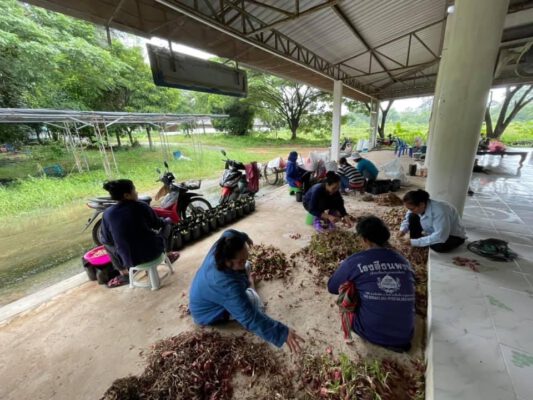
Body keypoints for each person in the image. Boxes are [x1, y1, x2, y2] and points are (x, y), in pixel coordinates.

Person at [189, 229, 305, 352]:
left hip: (205, 293)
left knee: (247, 265)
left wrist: (244, 237)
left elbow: (230, 232)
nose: (243, 262)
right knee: (255, 305)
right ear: (228, 261)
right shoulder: (226, 285)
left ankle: (247, 280)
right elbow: (250, 317)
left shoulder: (222, 245)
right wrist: (282, 333)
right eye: (240, 261)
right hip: (208, 313)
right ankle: (251, 285)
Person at [327, 216, 415, 352]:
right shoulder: (403, 261)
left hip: (371, 332)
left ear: (365, 240)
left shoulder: (356, 261)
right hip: (404, 335)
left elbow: (332, 287)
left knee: (349, 286)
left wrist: (347, 268)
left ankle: (362, 330)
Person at [99, 179, 179, 287]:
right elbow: (158, 224)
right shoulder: (141, 206)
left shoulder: (107, 213)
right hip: (153, 252)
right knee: (168, 224)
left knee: (106, 243)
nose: (136, 192)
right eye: (134, 190)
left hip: (129, 259)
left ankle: (124, 273)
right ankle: (168, 254)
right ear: (127, 195)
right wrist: (167, 220)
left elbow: (107, 239)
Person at [397, 189, 466, 253]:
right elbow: (407, 218)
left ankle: (419, 241)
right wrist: (402, 230)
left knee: (438, 246)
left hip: (452, 236)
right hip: (434, 232)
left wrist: (413, 242)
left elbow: (440, 236)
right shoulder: (418, 206)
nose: (410, 210)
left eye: (412, 209)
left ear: (421, 204)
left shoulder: (440, 211)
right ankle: (417, 239)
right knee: (412, 216)